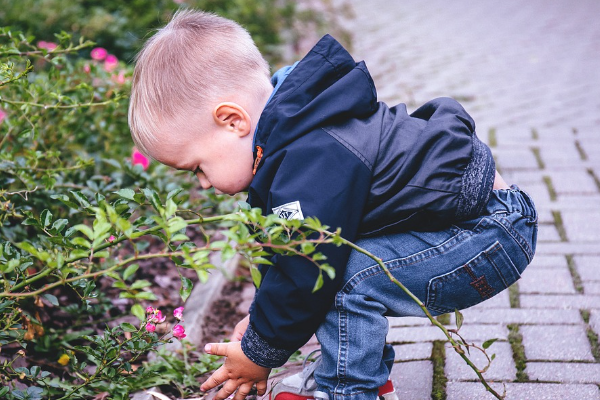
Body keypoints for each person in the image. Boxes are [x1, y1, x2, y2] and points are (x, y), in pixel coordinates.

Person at [128, 10, 538, 400]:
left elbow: (307, 267)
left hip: (487, 237)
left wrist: (257, 355)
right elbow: (287, 254)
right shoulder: (292, 135)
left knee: (337, 276)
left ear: (233, 121)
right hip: (471, 226)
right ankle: (361, 379)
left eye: (198, 167)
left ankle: (348, 390)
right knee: (334, 265)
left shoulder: (310, 155)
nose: (203, 184)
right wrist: (261, 322)